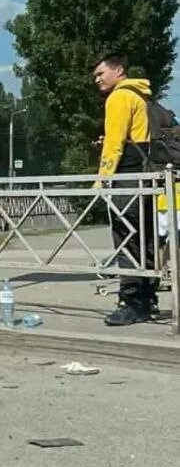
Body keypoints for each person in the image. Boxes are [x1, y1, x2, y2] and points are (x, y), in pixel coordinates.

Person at [92, 52, 157, 326]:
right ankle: (147, 298)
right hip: (147, 174)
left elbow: (116, 144)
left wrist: (102, 179)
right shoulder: (141, 95)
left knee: (126, 238)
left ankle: (130, 302)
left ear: (118, 70)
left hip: (128, 178)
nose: (97, 80)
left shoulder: (118, 97)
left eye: (100, 74)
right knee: (146, 238)